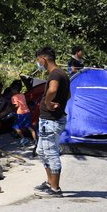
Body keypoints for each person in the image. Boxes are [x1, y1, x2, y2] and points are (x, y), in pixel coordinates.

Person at [34, 46, 71, 198]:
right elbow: (68, 95)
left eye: (38, 60)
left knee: (51, 153)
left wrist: (49, 103)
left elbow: (53, 89)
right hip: (48, 120)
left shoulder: (55, 74)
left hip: (51, 120)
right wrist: (59, 103)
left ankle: (55, 189)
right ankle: (50, 182)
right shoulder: (62, 73)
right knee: (42, 151)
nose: (38, 63)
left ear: (44, 59)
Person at [9, 80, 35, 147]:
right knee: (29, 127)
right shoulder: (22, 95)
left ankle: (23, 139)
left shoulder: (14, 97)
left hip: (20, 114)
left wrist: (12, 107)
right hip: (27, 112)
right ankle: (35, 140)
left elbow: (16, 105)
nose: (11, 91)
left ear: (14, 90)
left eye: (11, 89)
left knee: (16, 127)